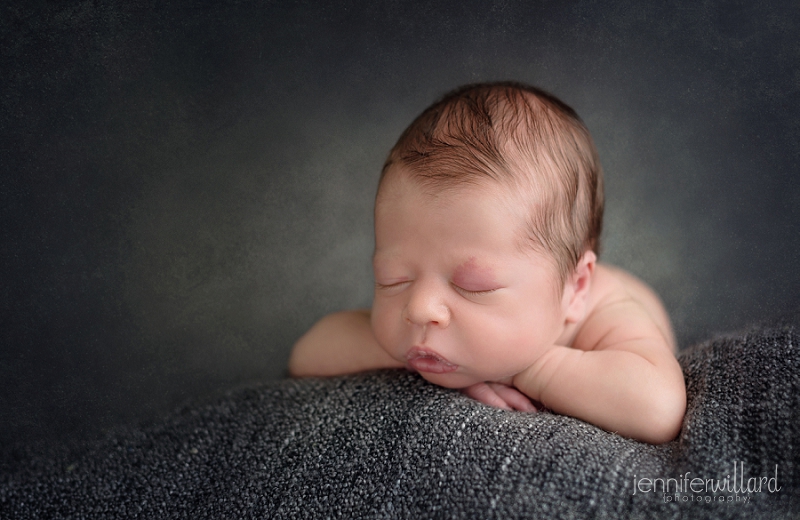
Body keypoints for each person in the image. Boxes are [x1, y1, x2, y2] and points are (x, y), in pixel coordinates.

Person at [289, 82, 686, 444]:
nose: (419, 309)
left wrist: (526, 370)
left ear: (575, 287)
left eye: (472, 286)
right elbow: (308, 354)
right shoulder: (420, 323)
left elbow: (657, 408)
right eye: (393, 279)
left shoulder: (607, 313)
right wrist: (431, 359)